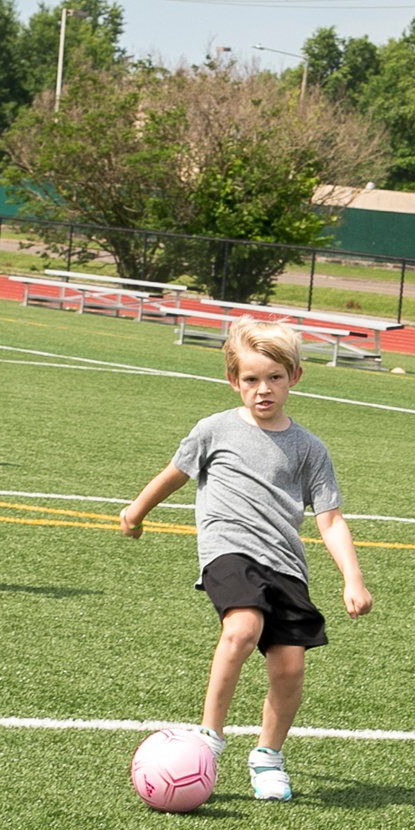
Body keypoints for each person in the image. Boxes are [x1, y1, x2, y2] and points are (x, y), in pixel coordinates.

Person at [119, 317, 372, 801]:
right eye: (251, 379)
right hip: (229, 550)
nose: (263, 390)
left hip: (285, 564)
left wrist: (352, 579)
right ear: (233, 380)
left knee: (290, 667)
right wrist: (135, 511)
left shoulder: (309, 449)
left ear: (294, 377)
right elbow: (174, 474)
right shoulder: (213, 430)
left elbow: (331, 519)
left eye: (274, 378)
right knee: (241, 627)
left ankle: (267, 758)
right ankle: (209, 738)